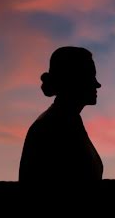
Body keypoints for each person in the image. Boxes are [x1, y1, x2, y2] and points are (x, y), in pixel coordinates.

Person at [19, 46, 103, 185]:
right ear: (73, 79)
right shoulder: (51, 126)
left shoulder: (67, 121)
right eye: (90, 76)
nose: (97, 84)